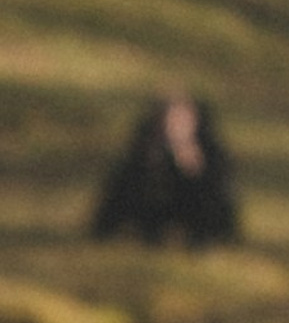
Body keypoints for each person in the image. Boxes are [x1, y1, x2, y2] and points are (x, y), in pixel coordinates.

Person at [89, 94, 240, 247]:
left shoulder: (209, 150)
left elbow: (221, 191)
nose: (179, 125)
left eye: (185, 120)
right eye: (174, 119)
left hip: (195, 207)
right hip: (156, 207)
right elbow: (128, 186)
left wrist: (195, 169)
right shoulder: (148, 147)